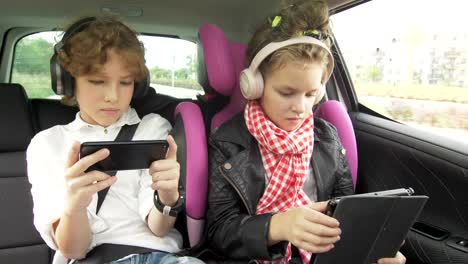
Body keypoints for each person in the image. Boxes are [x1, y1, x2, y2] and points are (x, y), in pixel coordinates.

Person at [206, 1, 406, 263]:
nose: (301, 108)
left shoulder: (328, 139)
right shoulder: (227, 142)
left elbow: (345, 216)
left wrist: (371, 247)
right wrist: (278, 226)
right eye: (286, 92)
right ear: (254, 85)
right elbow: (219, 232)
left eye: (311, 94)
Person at [26, 15, 204, 264]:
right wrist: (74, 206)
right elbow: (74, 250)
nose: (113, 96)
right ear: (67, 80)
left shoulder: (153, 127)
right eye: (97, 81)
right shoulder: (47, 144)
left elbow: (158, 229)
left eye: (125, 82)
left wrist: (167, 197)